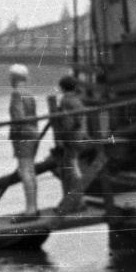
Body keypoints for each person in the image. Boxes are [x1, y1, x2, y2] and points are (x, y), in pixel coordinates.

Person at [7, 63, 40, 217]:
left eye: (10, 77)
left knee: (25, 171)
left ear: (14, 77)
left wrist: (15, 133)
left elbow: (18, 117)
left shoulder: (16, 93)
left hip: (23, 136)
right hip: (33, 133)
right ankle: (33, 206)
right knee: (31, 171)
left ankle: (30, 209)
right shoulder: (30, 93)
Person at [51, 74, 86, 214]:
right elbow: (80, 119)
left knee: (72, 168)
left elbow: (66, 122)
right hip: (78, 136)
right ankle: (75, 200)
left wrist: (61, 138)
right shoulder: (77, 100)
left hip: (71, 138)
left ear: (62, 88)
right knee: (72, 166)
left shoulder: (66, 101)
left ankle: (78, 201)